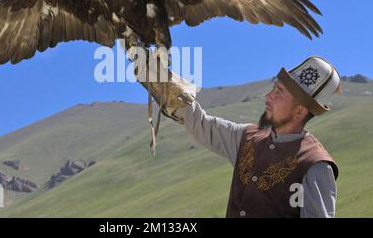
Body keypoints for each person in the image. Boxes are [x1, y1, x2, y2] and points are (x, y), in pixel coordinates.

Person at [144, 55, 342, 218]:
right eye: (274, 88)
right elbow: (202, 125)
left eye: (279, 93)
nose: (268, 97)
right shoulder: (247, 137)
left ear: (300, 112)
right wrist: (160, 77)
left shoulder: (316, 165)